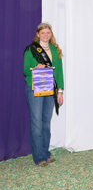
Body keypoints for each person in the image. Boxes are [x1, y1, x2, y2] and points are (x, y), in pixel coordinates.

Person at [23, 22, 64, 166]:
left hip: (49, 89)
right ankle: (39, 157)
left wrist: (60, 91)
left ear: (51, 34)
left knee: (46, 123)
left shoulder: (54, 50)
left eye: (48, 33)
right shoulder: (31, 49)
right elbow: (25, 70)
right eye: (43, 33)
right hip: (34, 88)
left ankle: (46, 154)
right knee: (36, 123)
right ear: (38, 34)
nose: (46, 35)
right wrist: (35, 67)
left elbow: (58, 72)